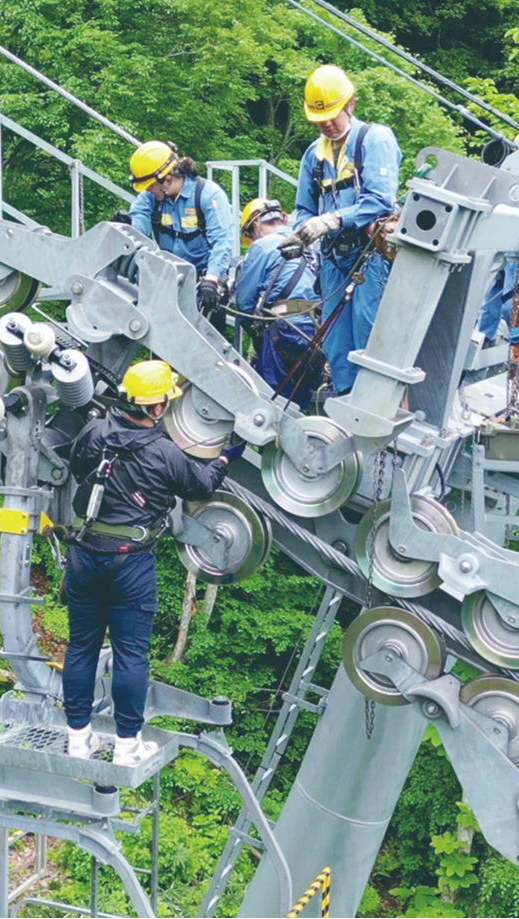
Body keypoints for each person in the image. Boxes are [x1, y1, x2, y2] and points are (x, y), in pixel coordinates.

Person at [62, 360, 230, 765]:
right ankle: (126, 746)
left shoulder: (95, 432)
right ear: (157, 408)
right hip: (130, 563)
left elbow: (77, 466)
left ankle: (78, 739)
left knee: (81, 647)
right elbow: (201, 485)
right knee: (130, 654)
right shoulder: (165, 453)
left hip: (83, 554)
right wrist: (225, 459)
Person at [289, 64, 401, 395]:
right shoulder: (314, 156)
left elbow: (379, 200)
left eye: (331, 115)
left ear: (350, 104)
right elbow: (304, 207)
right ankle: (345, 398)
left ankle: (376, 401)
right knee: (335, 339)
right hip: (333, 261)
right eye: (319, 118)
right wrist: (301, 233)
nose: (326, 123)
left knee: (369, 330)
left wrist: (332, 220)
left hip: (370, 256)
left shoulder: (373, 139)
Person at [128, 141, 234, 330]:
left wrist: (211, 280)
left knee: (207, 341)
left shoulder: (208, 195)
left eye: (150, 186)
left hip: (204, 285)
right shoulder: (152, 197)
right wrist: (127, 225)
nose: (147, 190)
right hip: (168, 282)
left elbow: (222, 241)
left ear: (167, 179)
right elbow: (139, 221)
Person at [234, 197, 326, 407]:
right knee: (299, 402)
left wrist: (256, 335)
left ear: (255, 226)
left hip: (283, 331)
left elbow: (244, 303)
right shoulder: (312, 247)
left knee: (271, 401)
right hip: (316, 332)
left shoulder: (262, 246)